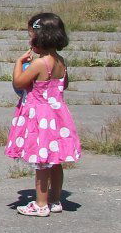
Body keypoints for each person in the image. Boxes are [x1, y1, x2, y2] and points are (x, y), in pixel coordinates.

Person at [5, 12, 81, 216]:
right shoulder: (60, 61)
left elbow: (19, 82)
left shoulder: (40, 64)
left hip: (40, 117)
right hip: (57, 115)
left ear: (40, 37)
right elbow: (63, 84)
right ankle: (55, 200)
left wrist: (19, 63)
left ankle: (40, 204)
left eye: (31, 35)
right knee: (55, 161)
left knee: (41, 162)